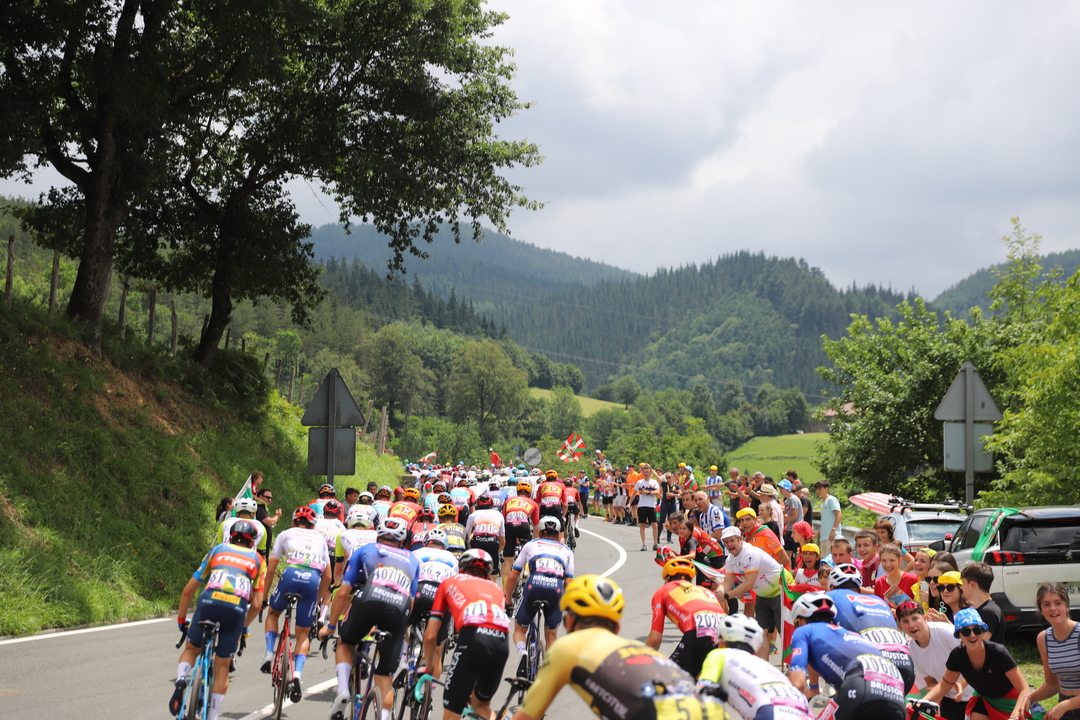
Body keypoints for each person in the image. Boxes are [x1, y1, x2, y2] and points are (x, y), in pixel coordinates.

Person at [510, 575, 727, 720]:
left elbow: (528, 715)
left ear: (569, 621)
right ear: (617, 628)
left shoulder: (567, 647)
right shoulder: (637, 650)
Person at [322, 516, 420, 720]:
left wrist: (330, 626)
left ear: (378, 536)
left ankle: (343, 690)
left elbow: (343, 592)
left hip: (368, 598)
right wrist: (402, 632)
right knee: (385, 678)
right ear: (402, 542)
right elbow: (411, 603)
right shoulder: (412, 559)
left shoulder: (366, 549)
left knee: (345, 642)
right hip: (399, 607)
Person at [170, 520, 265, 720]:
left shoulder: (217, 550)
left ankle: (181, 680)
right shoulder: (258, 560)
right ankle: (212, 716)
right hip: (235, 608)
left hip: (209, 602)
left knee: (191, 649)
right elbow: (257, 605)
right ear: (252, 543)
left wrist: (181, 619)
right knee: (222, 666)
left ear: (230, 537)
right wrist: (243, 628)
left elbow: (188, 590)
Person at [420, 548, 510, 720]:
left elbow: (430, 635)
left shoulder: (449, 582)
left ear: (461, 568)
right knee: (481, 705)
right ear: (487, 573)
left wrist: (430, 668)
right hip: (501, 644)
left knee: (452, 710)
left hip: (473, 637)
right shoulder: (496, 589)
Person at [787, 593, 906, 720]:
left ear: (800, 621)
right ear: (831, 620)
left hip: (861, 683)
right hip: (896, 692)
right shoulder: (852, 635)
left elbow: (798, 684)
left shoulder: (804, 631)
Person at [260, 506, 332, 700]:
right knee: (303, 634)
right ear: (313, 525)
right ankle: (297, 673)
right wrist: (318, 602)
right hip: (313, 580)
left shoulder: (285, 533)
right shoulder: (320, 539)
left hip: (291, 574)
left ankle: (269, 652)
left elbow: (271, 568)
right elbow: (328, 576)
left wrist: (264, 597)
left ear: (293, 522)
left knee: (273, 613)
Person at [919, 608, 1032, 720]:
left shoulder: (998, 652)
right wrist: (921, 703)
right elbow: (944, 686)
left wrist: (1014, 717)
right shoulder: (957, 655)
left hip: (1012, 702)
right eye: (966, 632)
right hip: (985, 700)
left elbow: (1024, 690)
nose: (972, 635)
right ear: (959, 635)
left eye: (977, 630)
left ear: (983, 632)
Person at [697, 614, 813, 720]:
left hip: (770, 710)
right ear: (756, 649)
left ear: (721, 643)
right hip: (804, 711)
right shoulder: (765, 665)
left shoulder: (719, 654)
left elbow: (703, 693)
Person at [826, 563, 916, 692]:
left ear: (831, 587)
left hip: (869, 669)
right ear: (860, 589)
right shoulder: (879, 601)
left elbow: (816, 635)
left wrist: (814, 687)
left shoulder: (831, 596)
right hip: (905, 668)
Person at [504, 516, 574, 675]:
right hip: (556, 589)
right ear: (558, 534)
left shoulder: (531, 545)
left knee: (519, 630)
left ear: (540, 532)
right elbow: (569, 582)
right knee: (551, 635)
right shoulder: (567, 551)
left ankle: (523, 652)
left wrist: (508, 602)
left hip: (533, 585)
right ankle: (549, 671)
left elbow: (513, 575)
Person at [646, 557, 727, 678]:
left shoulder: (663, 591)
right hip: (725, 634)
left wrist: (641, 660)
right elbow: (726, 610)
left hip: (699, 631)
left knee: (668, 679)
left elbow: (655, 639)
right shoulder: (705, 591)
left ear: (667, 579)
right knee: (702, 677)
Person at [1016, 582, 1080, 720]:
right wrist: (1029, 698)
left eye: (1058, 603)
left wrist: (1066, 705)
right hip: (1065, 708)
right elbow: (1052, 684)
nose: (1053, 608)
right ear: (1041, 610)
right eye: (1046, 604)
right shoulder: (1044, 639)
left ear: (1067, 606)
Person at [898, 602, 971, 720]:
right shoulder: (910, 650)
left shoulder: (947, 632)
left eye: (915, 618)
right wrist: (922, 701)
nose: (911, 625)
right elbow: (931, 681)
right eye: (905, 621)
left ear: (925, 618)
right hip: (949, 699)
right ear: (901, 626)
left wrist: (960, 685)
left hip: (977, 693)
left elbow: (975, 663)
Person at [720, 526, 783, 660]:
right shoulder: (730, 559)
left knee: (785, 633)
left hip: (780, 591)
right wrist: (717, 593)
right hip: (764, 594)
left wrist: (726, 596)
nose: (730, 545)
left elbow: (749, 583)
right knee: (761, 634)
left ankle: (795, 666)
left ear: (740, 539)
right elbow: (726, 583)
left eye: (732, 540)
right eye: (726, 542)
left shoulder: (750, 553)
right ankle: (764, 667)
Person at [961, 562, 1004, 643]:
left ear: (972, 584)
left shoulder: (989, 612)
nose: (961, 587)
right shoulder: (977, 609)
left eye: (963, 583)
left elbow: (977, 644)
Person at [464, 493, 505, 577]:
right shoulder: (499, 514)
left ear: (477, 505)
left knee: (476, 571)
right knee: (493, 574)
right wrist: (500, 551)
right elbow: (502, 540)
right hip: (493, 541)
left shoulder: (473, 515)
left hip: (477, 541)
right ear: (492, 504)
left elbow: (466, 535)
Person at [874, 543, 920, 609]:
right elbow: (877, 608)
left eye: (892, 560)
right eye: (884, 560)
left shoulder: (913, 579)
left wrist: (899, 611)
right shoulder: (879, 582)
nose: (888, 565)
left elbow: (920, 608)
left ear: (900, 561)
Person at [635, 465, 662, 552]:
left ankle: (655, 544)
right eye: (645, 472)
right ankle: (644, 544)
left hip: (651, 506)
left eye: (648, 472)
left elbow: (658, 492)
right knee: (642, 525)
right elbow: (634, 493)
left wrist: (647, 492)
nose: (646, 473)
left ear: (650, 473)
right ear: (642, 473)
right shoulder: (639, 482)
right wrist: (628, 503)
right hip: (642, 506)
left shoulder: (654, 482)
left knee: (654, 525)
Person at [815, 481, 841, 548]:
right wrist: (818, 532)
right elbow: (826, 521)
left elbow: (839, 515)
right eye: (817, 489)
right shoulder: (823, 503)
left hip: (832, 537)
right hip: (823, 537)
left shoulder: (831, 499)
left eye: (820, 489)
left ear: (826, 489)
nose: (818, 491)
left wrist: (833, 530)